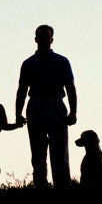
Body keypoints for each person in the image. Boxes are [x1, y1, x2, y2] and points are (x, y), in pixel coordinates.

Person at [15, 24, 77, 189]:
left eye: (46, 36)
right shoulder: (28, 64)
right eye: (40, 36)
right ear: (35, 39)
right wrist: (18, 113)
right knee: (38, 153)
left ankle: (62, 188)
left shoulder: (62, 61)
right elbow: (22, 89)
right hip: (35, 105)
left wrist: (73, 112)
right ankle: (40, 188)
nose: (43, 39)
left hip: (56, 104)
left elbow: (70, 87)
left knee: (60, 153)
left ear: (52, 39)